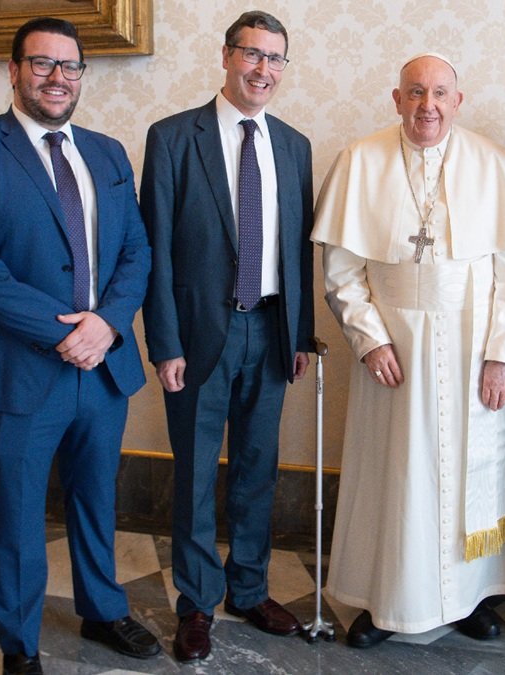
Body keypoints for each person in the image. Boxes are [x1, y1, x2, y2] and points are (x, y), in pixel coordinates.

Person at [0, 17, 158, 675]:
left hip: (103, 364)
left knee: (96, 497)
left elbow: (135, 250)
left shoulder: (109, 152)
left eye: (70, 66)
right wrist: (68, 332)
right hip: (15, 367)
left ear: (83, 75)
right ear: (13, 70)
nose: (58, 78)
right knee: (17, 511)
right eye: (42, 64)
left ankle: (103, 609)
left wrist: (108, 324)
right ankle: (19, 644)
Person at [313, 53, 505, 648]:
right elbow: (341, 272)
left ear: (457, 101)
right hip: (396, 352)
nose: (428, 106)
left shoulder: (492, 163)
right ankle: (382, 597)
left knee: (475, 471)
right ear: (396, 98)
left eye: (440, 93)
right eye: (416, 93)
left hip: (474, 348)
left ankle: (469, 596)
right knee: (395, 473)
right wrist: (370, 341)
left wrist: (501, 355)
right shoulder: (360, 160)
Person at [139, 10, 314, 664]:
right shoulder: (172, 137)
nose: (263, 69)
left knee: (256, 471)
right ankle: (195, 602)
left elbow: (298, 249)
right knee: (193, 476)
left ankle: (248, 587)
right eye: (252, 55)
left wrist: (300, 333)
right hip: (198, 337)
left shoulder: (294, 145)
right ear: (226, 56)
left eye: (275, 58)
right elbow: (153, 249)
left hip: (270, 332)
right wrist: (164, 342)